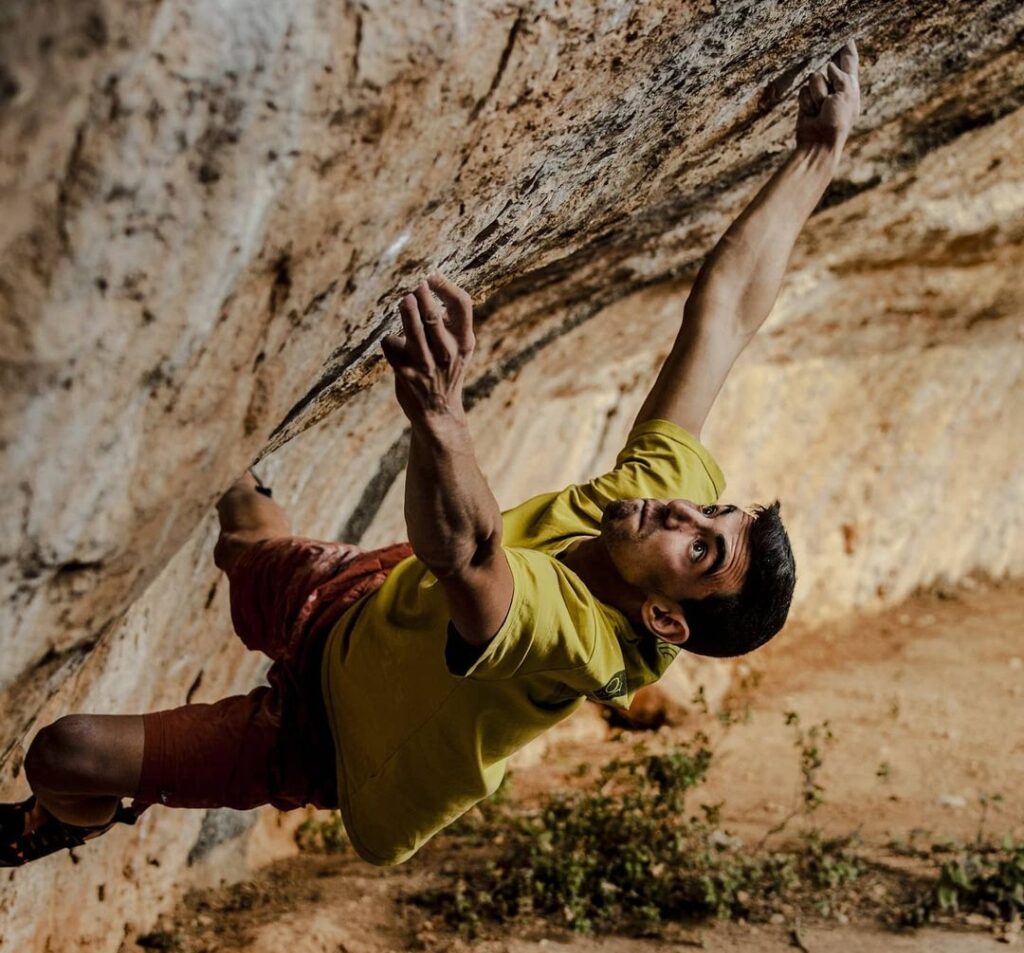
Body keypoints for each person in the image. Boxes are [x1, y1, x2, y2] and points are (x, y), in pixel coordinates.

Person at [0, 41, 860, 868]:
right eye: (716, 510)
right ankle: (249, 519)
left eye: (702, 549)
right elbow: (725, 315)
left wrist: (440, 412)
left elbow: (472, 554)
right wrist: (819, 154)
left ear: (667, 619)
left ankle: (61, 818)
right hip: (362, 603)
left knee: (68, 751)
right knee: (241, 513)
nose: (688, 511)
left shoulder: (580, 645)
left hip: (330, 737)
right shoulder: (658, 503)